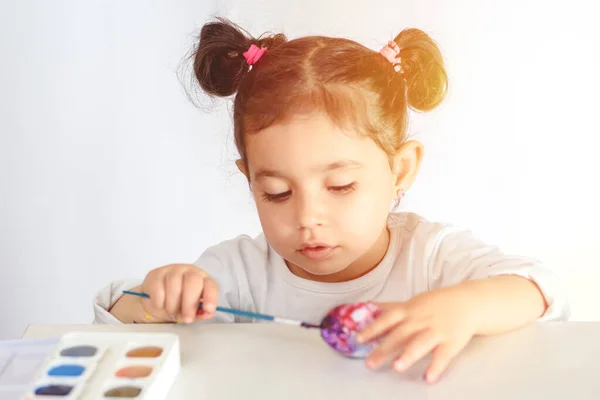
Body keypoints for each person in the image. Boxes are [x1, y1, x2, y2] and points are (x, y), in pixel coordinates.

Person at [93, 18, 569, 383]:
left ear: (400, 169)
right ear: (250, 180)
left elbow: (541, 289)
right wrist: (158, 298)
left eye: (340, 187)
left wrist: (462, 308)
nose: (308, 218)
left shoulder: (431, 256)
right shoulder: (237, 273)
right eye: (276, 192)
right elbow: (115, 319)